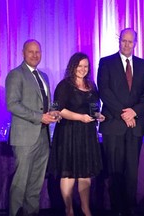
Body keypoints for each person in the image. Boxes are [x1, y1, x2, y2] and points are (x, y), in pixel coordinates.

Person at [97, 28, 144, 216]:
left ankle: (130, 208)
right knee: (114, 171)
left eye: (130, 41)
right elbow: (104, 91)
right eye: (123, 41)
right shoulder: (106, 62)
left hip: (135, 125)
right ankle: (117, 209)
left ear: (135, 43)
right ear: (119, 41)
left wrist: (134, 112)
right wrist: (124, 114)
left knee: (132, 171)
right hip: (114, 125)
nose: (127, 44)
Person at [5, 39, 59, 216]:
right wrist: (39, 117)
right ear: (23, 53)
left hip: (43, 137)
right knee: (20, 184)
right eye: (31, 51)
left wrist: (53, 113)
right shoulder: (15, 74)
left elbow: (45, 104)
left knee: (36, 184)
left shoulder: (43, 76)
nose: (35, 55)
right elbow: (12, 104)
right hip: (25, 138)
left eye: (38, 52)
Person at [48, 52, 104, 216]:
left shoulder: (91, 85)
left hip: (87, 134)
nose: (83, 69)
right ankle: (69, 209)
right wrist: (80, 117)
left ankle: (86, 208)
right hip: (68, 133)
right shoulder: (64, 85)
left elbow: (94, 108)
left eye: (86, 66)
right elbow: (57, 108)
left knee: (85, 172)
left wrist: (98, 115)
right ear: (73, 66)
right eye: (80, 66)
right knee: (69, 173)